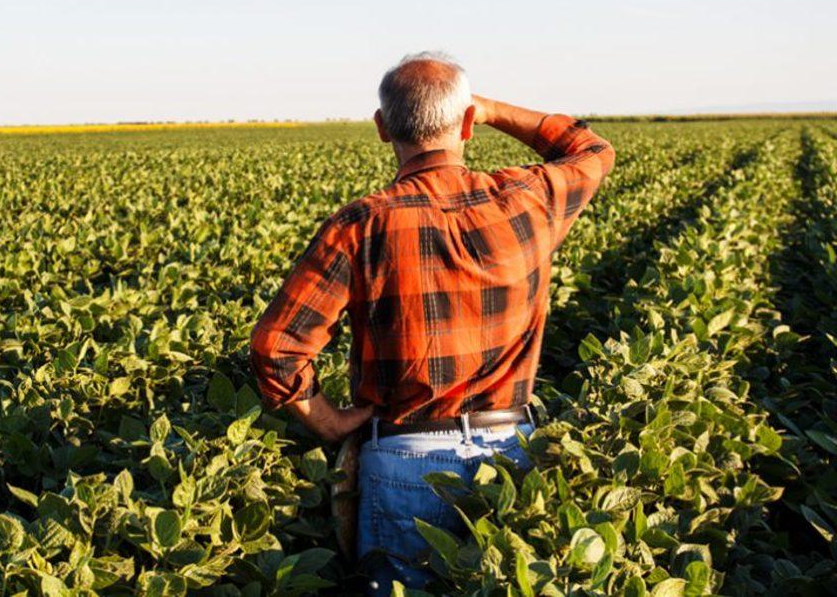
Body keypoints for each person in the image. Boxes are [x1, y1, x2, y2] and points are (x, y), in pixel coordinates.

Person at [248, 51, 615, 593]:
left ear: (381, 128)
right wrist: (491, 109)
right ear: (467, 123)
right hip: (510, 454)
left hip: (402, 458)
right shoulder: (528, 199)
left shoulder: (360, 224)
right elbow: (591, 149)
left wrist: (327, 421)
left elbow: (276, 347)